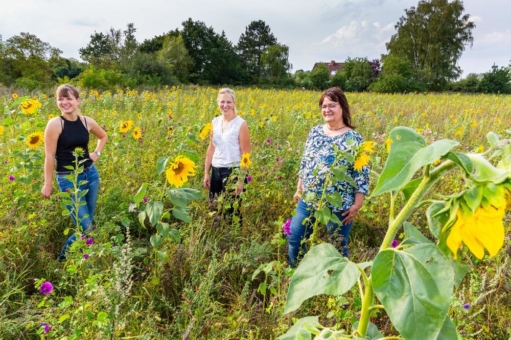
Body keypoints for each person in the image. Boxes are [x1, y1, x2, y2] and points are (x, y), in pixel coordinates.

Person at [287, 87, 370, 267]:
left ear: (342, 108)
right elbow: (306, 161)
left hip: (339, 204)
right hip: (309, 199)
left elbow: (361, 174)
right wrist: (299, 188)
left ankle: (339, 283)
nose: (327, 110)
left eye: (332, 105)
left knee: (337, 246)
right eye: (324, 106)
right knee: (295, 237)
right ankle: (295, 275)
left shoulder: (353, 138)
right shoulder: (315, 132)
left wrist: (357, 204)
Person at [41, 84, 108, 260]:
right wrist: (47, 183)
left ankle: (81, 258)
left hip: (90, 175)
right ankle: (62, 261)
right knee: (85, 228)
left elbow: (103, 136)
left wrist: (96, 153)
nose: (64, 102)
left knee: (87, 226)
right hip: (68, 179)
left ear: (77, 101)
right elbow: (49, 156)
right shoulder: (55, 124)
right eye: (60, 99)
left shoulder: (86, 121)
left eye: (68, 98)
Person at [203, 88, 250, 225]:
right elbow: (211, 148)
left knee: (232, 211)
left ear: (234, 103)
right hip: (216, 170)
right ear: (218, 103)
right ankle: (217, 236)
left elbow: (245, 156)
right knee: (214, 207)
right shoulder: (215, 122)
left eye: (228, 102)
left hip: (233, 171)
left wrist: (241, 180)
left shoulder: (241, 124)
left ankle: (234, 240)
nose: (225, 105)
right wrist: (206, 172)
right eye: (222, 101)